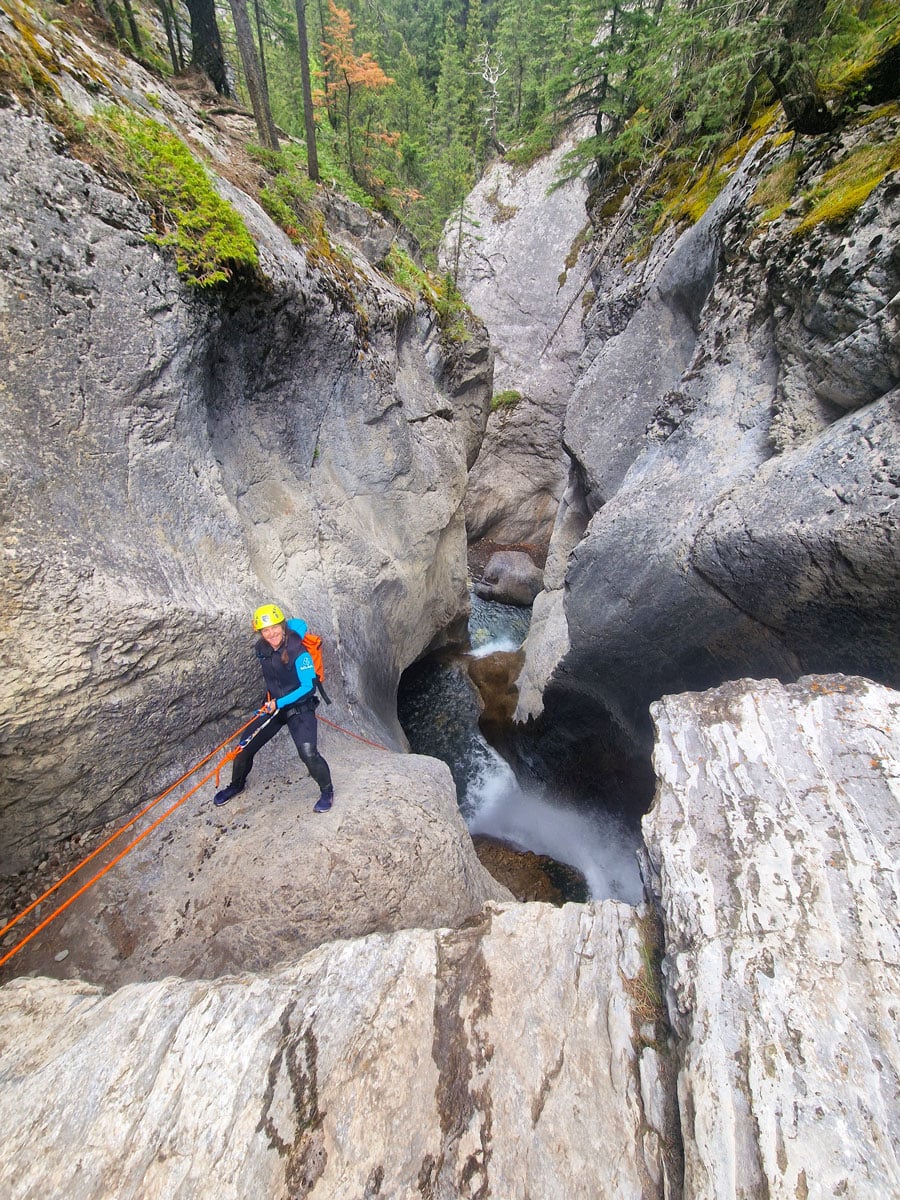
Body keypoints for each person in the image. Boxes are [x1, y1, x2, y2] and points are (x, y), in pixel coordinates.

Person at [213, 603, 335, 813]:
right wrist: (269, 704)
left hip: (300, 708)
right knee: (243, 748)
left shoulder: (299, 651)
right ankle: (236, 785)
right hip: (274, 708)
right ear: (260, 632)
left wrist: (278, 703)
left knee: (308, 753)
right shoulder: (263, 649)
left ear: (283, 625)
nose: (271, 634)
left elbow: (308, 687)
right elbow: (274, 680)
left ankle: (327, 791)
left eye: (274, 628)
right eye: (265, 630)